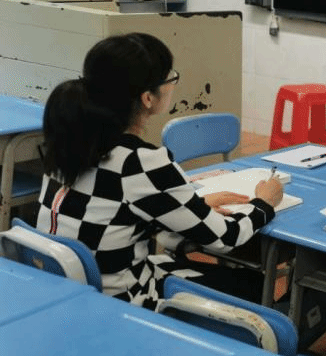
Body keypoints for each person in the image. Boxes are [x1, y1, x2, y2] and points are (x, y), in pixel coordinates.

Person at [36, 33, 283, 308]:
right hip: (120, 303)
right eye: (170, 78)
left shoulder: (70, 144)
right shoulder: (140, 162)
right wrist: (265, 203)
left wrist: (196, 206)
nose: (173, 84)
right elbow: (227, 237)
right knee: (253, 284)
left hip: (67, 292)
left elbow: (112, 211)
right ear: (147, 98)